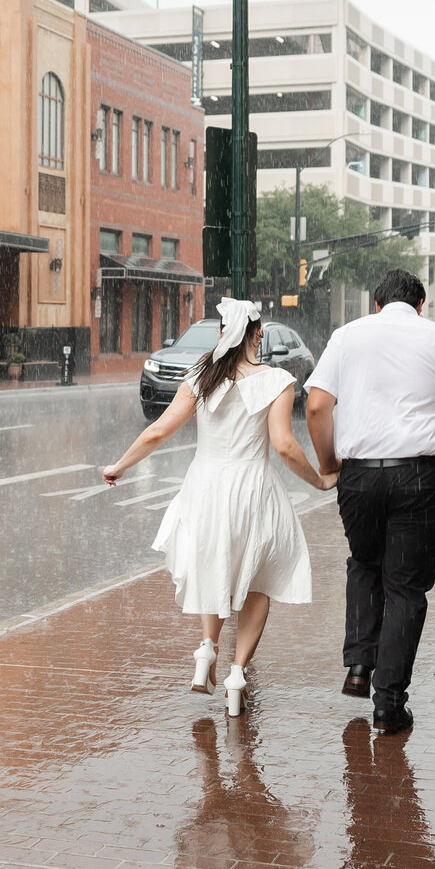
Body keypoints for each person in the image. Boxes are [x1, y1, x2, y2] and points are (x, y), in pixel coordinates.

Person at [102, 297, 336, 715]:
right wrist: (319, 480)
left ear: (220, 333)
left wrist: (120, 465)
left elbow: (158, 431)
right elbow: (284, 446)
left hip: (205, 488)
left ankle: (207, 648)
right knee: (259, 581)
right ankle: (237, 673)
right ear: (258, 334)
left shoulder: (201, 376)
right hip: (252, 488)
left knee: (214, 567)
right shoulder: (277, 380)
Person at [305, 268, 435, 737]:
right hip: (417, 476)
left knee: (364, 562)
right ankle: (388, 705)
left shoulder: (346, 336)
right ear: (420, 306)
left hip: (359, 476)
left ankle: (359, 665)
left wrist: (329, 464)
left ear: (376, 304)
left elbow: (317, 407)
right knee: (404, 588)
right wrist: (424, 422)